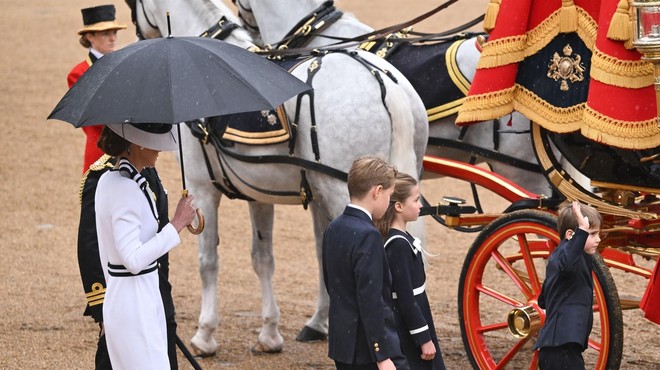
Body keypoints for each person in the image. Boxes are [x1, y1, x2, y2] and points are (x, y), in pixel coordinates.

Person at [95, 122, 196, 369]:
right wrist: (176, 225)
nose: (160, 150)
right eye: (155, 142)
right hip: (134, 303)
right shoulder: (126, 188)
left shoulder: (109, 181)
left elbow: (105, 253)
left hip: (129, 298)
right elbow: (133, 260)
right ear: (138, 143)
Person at [77, 154, 181, 369]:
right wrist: (101, 306)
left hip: (152, 290)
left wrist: (161, 292)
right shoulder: (103, 177)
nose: (161, 149)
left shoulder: (145, 172)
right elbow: (93, 245)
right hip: (129, 297)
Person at [322, 155, 409, 370]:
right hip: (369, 349)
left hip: (343, 344)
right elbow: (371, 299)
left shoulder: (333, 227)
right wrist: (382, 355)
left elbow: (333, 285)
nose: (389, 202)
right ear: (377, 191)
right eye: (389, 195)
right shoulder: (368, 235)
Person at [374, 173, 446, 370]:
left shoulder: (398, 237)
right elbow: (406, 299)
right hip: (407, 330)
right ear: (398, 206)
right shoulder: (397, 245)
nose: (421, 205)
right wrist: (423, 339)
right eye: (416, 200)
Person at [532, 200, 602, 370]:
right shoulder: (565, 257)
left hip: (565, 347)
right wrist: (582, 232)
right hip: (560, 348)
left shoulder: (570, 257)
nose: (598, 239)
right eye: (592, 234)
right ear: (571, 235)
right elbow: (568, 264)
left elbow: (544, 299)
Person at [68, 4, 126, 173]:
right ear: (90, 37)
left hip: (132, 149)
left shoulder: (125, 65)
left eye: (114, 32)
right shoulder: (78, 73)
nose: (113, 38)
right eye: (105, 33)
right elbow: (94, 118)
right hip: (101, 152)